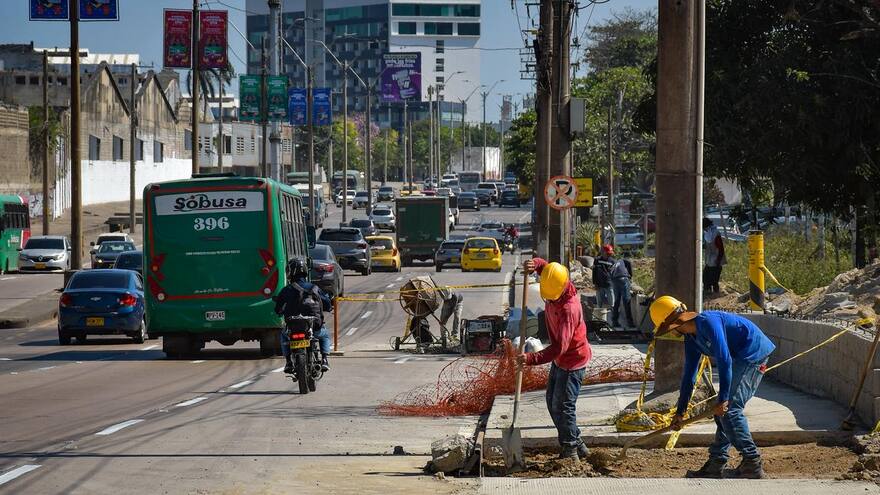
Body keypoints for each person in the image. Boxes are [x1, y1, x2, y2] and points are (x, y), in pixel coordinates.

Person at [650, 295, 776, 479]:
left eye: (667, 329)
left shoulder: (708, 322)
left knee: (730, 410)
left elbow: (724, 359)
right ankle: (716, 462)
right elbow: (689, 376)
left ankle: (752, 462)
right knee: (721, 411)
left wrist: (723, 399)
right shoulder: (691, 339)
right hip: (738, 357)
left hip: (753, 353)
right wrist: (680, 411)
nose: (669, 333)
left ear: (675, 323)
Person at [517, 258, 592, 461]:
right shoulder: (556, 280)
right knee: (552, 402)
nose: (548, 300)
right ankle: (578, 443)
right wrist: (536, 264)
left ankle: (570, 451)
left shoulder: (569, 309)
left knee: (564, 406)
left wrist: (532, 358)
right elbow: (549, 269)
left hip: (572, 360)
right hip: (561, 359)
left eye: (552, 298)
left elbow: (560, 348)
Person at [274, 259, 332, 374]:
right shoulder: (314, 288)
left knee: (284, 336)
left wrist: (280, 311)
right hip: (314, 327)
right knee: (324, 335)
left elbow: (278, 308)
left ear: (290, 272)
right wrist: (328, 307)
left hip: (293, 328)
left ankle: (288, 362)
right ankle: (324, 360)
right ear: (305, 271)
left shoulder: (287, 290)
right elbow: (327, 303)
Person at [610, 254, 636, 329]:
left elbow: (610, 274)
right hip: (623, 279)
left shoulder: (614, 263)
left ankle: (614, 322)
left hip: (615, 280)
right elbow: (629, 266)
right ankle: (630, 323)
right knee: (626, 301)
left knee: (617, 301)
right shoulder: (625, 261)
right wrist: (630, 276)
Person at [703, 218, 726, 294]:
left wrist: (718, 260)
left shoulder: (715, 233)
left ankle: (715, 297)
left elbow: (721, 248)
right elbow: (707, 246)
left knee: (714, 281)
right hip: (709, 261)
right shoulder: (706, 234)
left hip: (716, 262)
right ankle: (708, 295)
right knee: (706, 280)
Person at [592, 244, 616, 309]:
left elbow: (614, 273)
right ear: (603, 252)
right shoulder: (597, 260)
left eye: (610, 254)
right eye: (607, 253)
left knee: (612, 303)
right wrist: (594, 283)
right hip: (599, 285)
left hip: (609, 285)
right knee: (599, 304)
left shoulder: (613, 261)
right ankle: (599, 316)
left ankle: (613, 316)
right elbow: (594, 272)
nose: (609, 255)